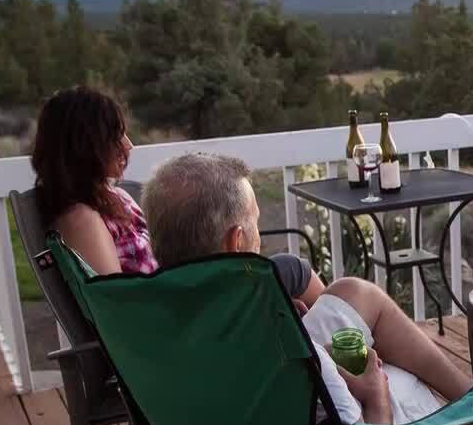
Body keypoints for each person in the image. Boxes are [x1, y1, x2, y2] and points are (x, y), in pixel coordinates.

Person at [140, 152, 473, 425]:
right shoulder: (282, 343)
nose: (261, 235)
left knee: (353, 294)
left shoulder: (152, 321)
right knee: (402, 375)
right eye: (256, 224)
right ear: (235, 240)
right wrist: (374, 393)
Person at [29, 85, 323, 310]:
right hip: (178, 322)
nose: (129, 146)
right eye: (115, 137)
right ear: (84, 145)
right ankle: (348, 359)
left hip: (182, 301)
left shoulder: (110, 197)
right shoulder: (82, 221)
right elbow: (118, 313)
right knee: (291, 270)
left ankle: (333, 357)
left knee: (289, 275)